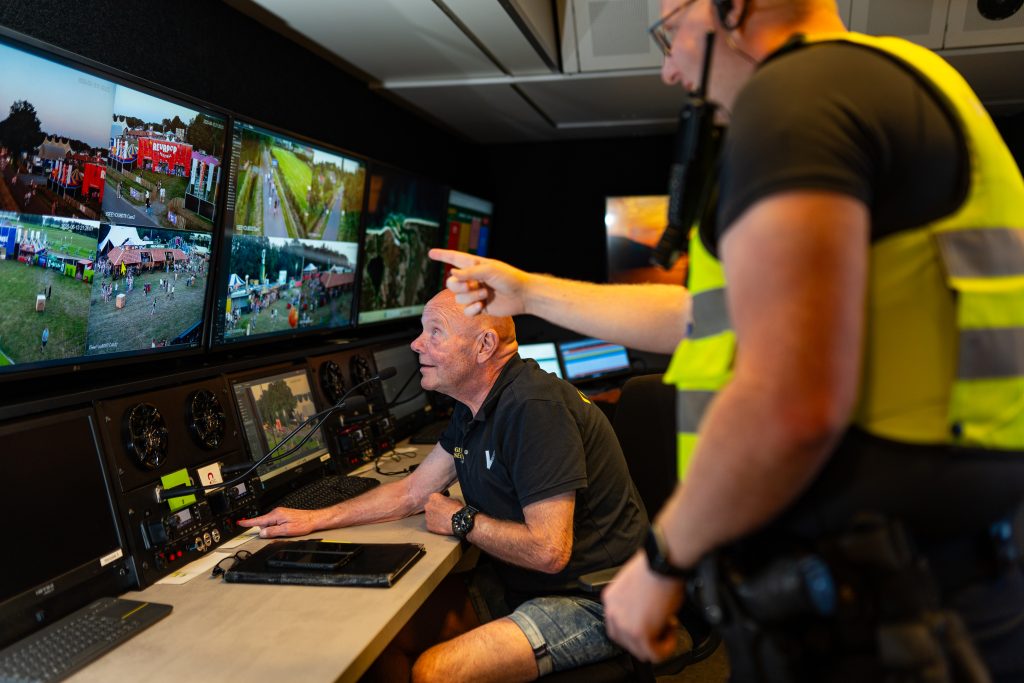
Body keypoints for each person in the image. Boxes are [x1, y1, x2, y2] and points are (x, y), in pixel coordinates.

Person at [430, 1, 1024, 680]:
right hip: (940, 560)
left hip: (881, 589)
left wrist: (664, 561)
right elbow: (708, 315)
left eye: (670, 33)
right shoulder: (902, 77)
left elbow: (790, 397)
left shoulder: (798, 97)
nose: (669, 69)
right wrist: (530, 292)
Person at [239, 289, 648, 682]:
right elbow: (413, 492)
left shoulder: (535, 410)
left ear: (484, 346)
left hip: (599, 601)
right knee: (378, 644)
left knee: (435, 672)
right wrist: (313, 519)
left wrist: (461, 520)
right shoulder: (476, 406)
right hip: (521, 585)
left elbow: (548, 551)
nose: (417, 344)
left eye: (435, 332)